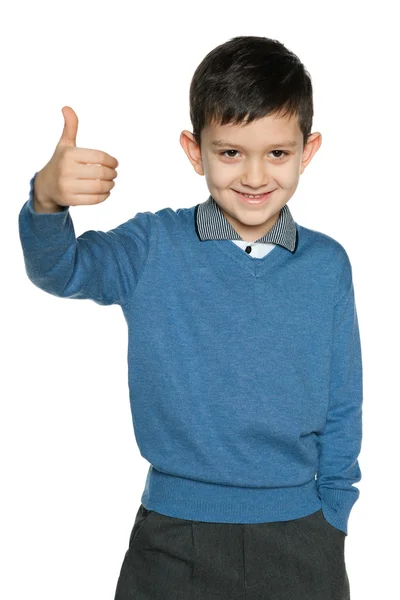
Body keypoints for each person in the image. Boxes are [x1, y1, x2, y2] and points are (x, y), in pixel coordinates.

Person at [18, 35, 362, 600]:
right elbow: (63, 270)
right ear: (194, 149)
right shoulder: (153, 246)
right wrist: (47, 202)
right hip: (173, 542)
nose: (254, 175)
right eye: (230, 152)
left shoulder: (327, 264)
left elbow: (343, 397)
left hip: (301, 537)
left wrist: (334, 515)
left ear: (308, 150)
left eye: (276, 152)